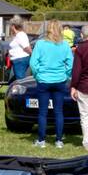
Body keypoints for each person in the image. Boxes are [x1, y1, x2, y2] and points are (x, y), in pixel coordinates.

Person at [29, 19, 73, 148]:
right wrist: (66, 75)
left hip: (43, 80)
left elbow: (33, 63)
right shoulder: (64, 45)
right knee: (58, 111)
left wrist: (37, 75)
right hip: (59, 80)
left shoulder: (40, 44)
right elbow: (70, 63)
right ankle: (59, 140)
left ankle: (41, 140)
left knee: (43, 112)